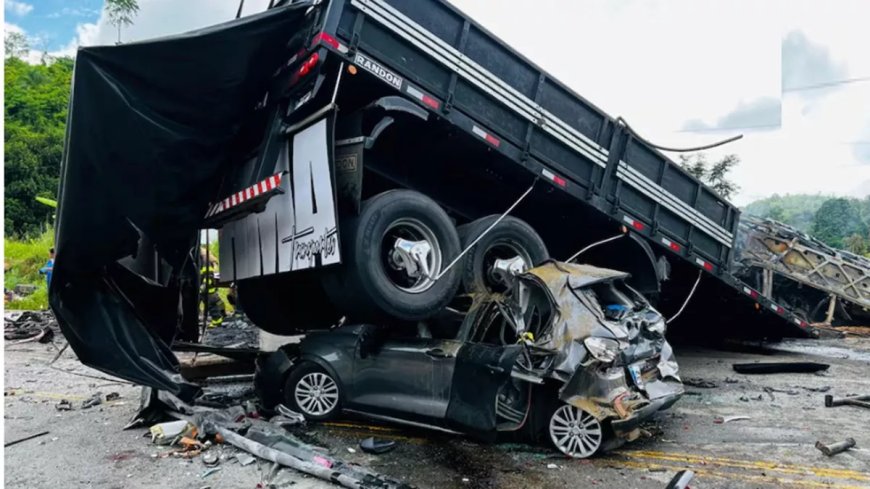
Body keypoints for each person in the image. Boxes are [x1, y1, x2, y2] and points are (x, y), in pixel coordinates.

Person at [200, 249, 226, 328]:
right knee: (216, 302)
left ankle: (216, 322)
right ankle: (221, 315)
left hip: (207, 289)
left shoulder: (204, 260)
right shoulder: (208, 259)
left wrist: (203, 286)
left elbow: (208, 275)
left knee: (211, 306)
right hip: (210, 289)